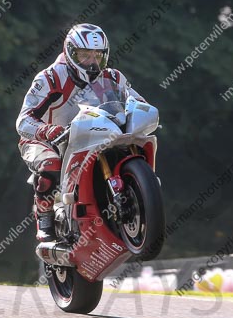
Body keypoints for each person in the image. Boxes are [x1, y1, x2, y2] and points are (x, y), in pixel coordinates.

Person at [15, 23, 149, 241]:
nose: (92, 62)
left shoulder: (113, 77)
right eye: (84, 55)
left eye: (98, 56)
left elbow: (138, 101)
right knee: (51, 165)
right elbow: (23, 121)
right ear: (70, 52)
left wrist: (144, 115)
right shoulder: (49, 78)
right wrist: (48, 131)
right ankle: (45, 218)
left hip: (93, 135)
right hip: (45, 140)